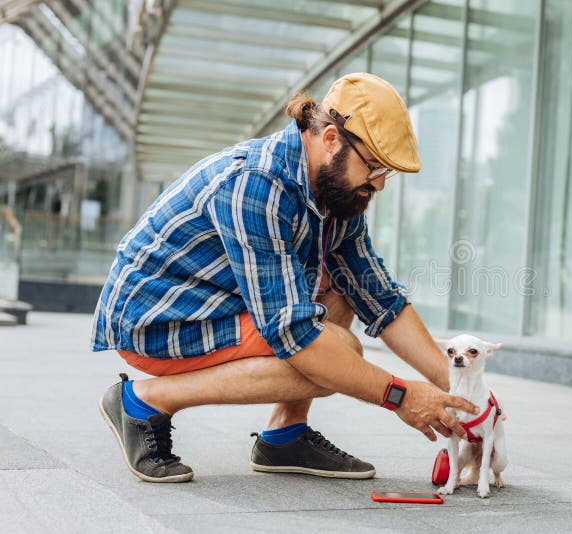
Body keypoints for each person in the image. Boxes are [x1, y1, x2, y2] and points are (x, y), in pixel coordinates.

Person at [91, 73, 479, 483]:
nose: (379, 182)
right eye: (375, 165)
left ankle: (284, 435)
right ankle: (141, 401)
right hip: (156, 318)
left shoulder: (334, 196)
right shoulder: (257, 185)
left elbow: (381, 298)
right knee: (338, 350)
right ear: (331, 139)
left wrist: (465, 391)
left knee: (345, 285)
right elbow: (295, 335)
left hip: (218, 303)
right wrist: (400, 395)